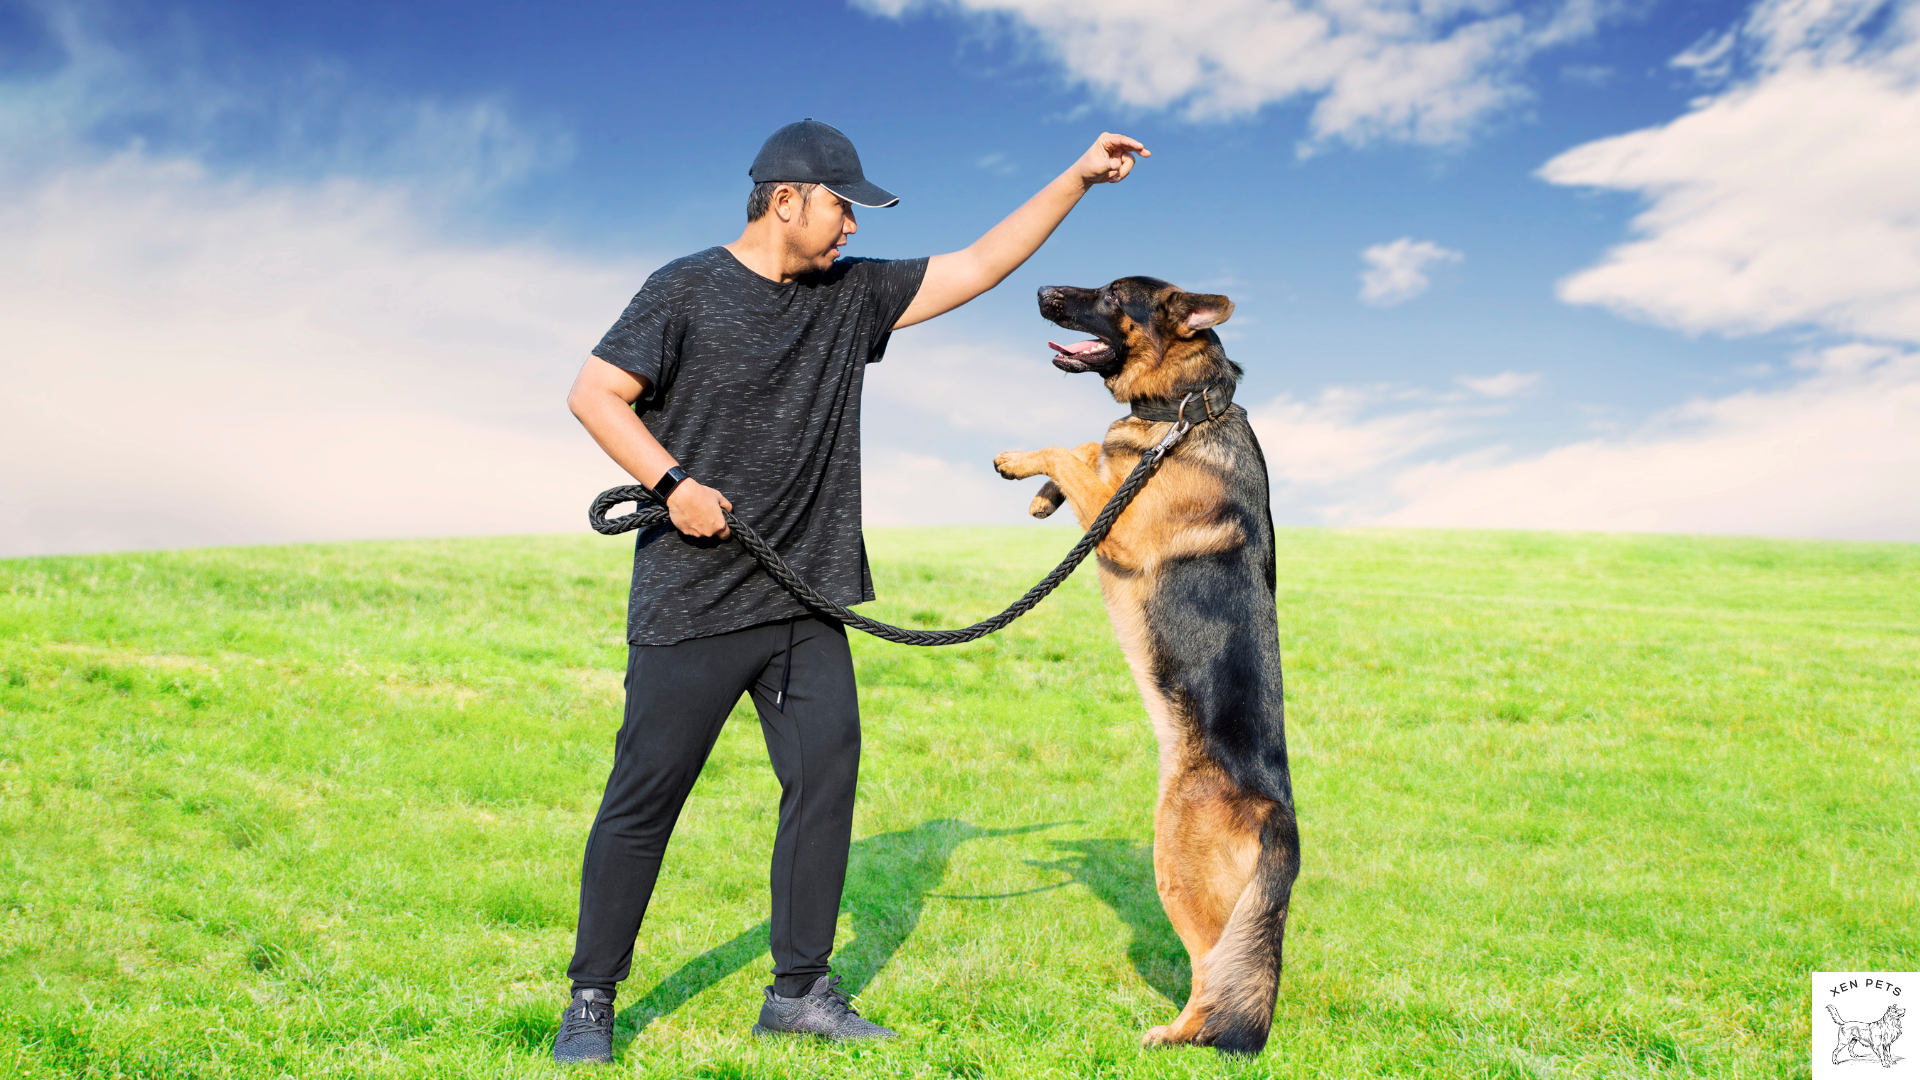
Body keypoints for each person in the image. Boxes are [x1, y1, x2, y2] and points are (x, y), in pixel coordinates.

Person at [554, 118, 1148, 1064]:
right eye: (842, 205)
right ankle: (592, 996)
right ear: (786, 198)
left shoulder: (850, 296)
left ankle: (798, 993)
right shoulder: (684, 289)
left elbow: (984, 261)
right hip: (693, 599)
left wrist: (1077, 177)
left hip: (807, 600)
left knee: (824, 783)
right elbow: (595, 393)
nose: (851, 229)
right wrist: (675, 486)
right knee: (645, 798)